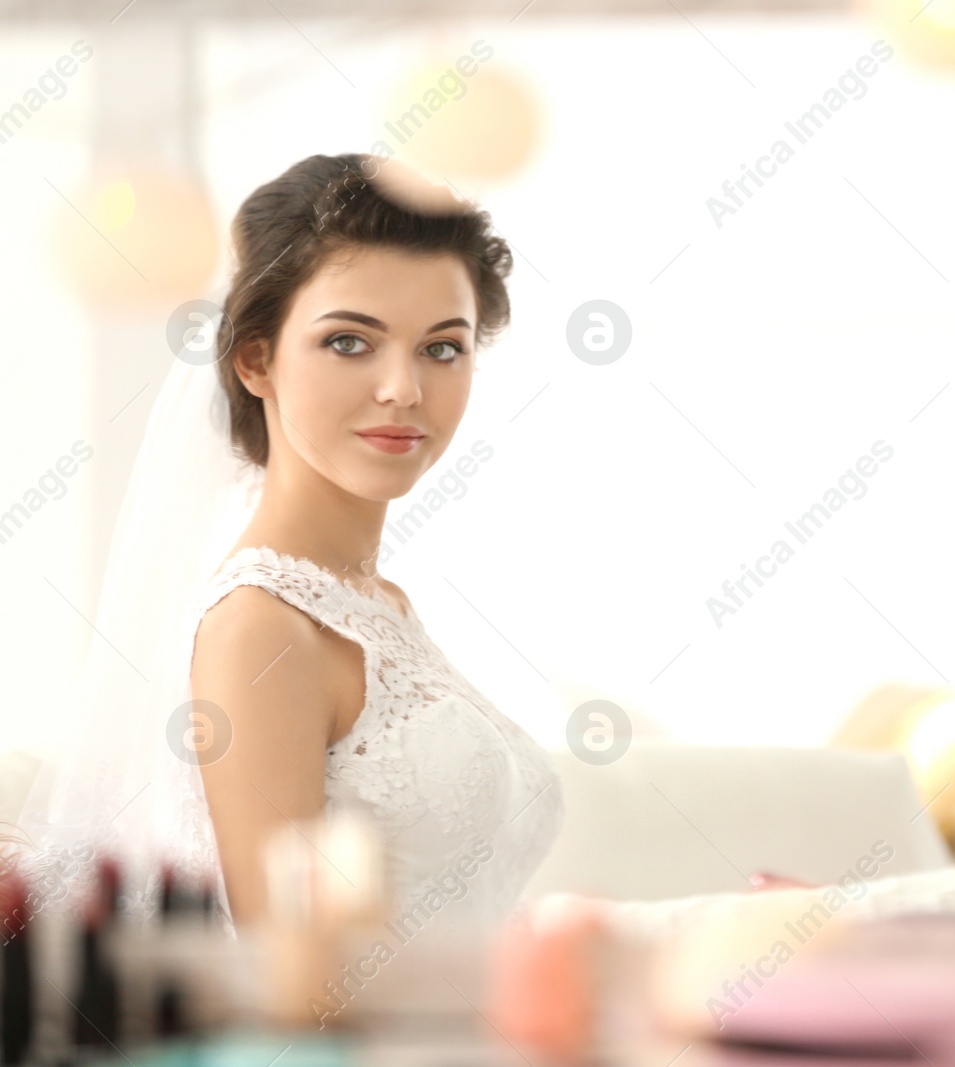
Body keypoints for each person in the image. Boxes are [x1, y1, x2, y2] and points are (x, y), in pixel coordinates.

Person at [14, 153, 564, 937]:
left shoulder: (374, 601)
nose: (404, 388)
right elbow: (294, 981)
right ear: (255, 359)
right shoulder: (262, 630)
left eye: (443, 346)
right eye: (349, 341)